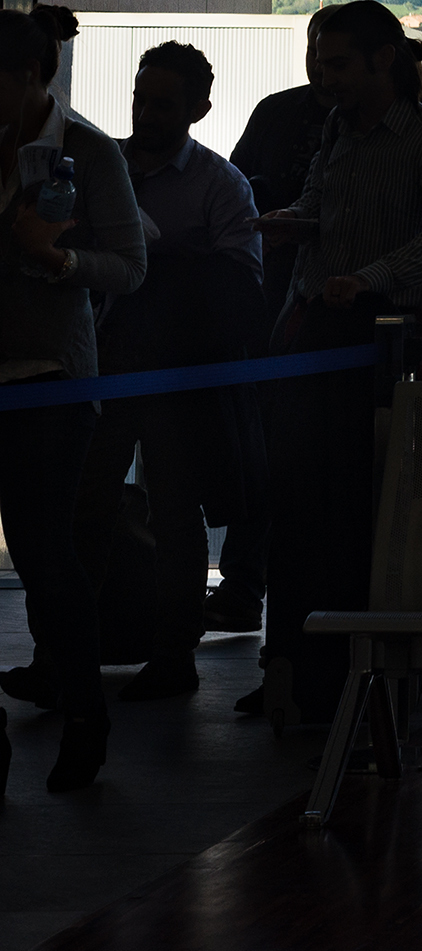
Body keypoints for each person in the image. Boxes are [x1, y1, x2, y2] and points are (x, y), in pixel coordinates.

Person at [249, 0, 422, 725]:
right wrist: (293, 223)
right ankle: (301, 669)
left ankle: (355, 674)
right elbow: (322, 204)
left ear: (385, 60)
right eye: (320, 61)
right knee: (300, 506)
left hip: (383, 341)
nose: (325, 76)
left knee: (357, 511)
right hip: (323, 333)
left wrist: (371, 277)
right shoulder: (336, 129)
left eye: (339, 62)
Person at [76, 44, 261, 705]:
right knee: (84, 501)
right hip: (104, 365)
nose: (146, 114)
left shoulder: (220, 184)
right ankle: (71, 650)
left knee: (176, 512)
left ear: (199, 110)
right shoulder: (103, 169)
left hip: (176, 373)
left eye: (163, 104)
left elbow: (244, 286)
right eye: (140, 99)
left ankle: (172, 653)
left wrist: (162, 261)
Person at [0, 5, 146, 793]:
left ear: (31, 77)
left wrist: (53, 259)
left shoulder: (85, 150)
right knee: (43, 554)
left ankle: (85, 713)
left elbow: (130, 264)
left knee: (44, 554)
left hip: (50, 381)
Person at [211, 10, 337, 638]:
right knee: (261, 449)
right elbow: (238, 187)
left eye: (333, 53)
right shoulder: (275, 111)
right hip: (274, 304)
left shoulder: (397, 135)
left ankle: (269, 600)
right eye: (315, 48)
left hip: (331, 315)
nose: (320, 61)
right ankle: (245, 587)